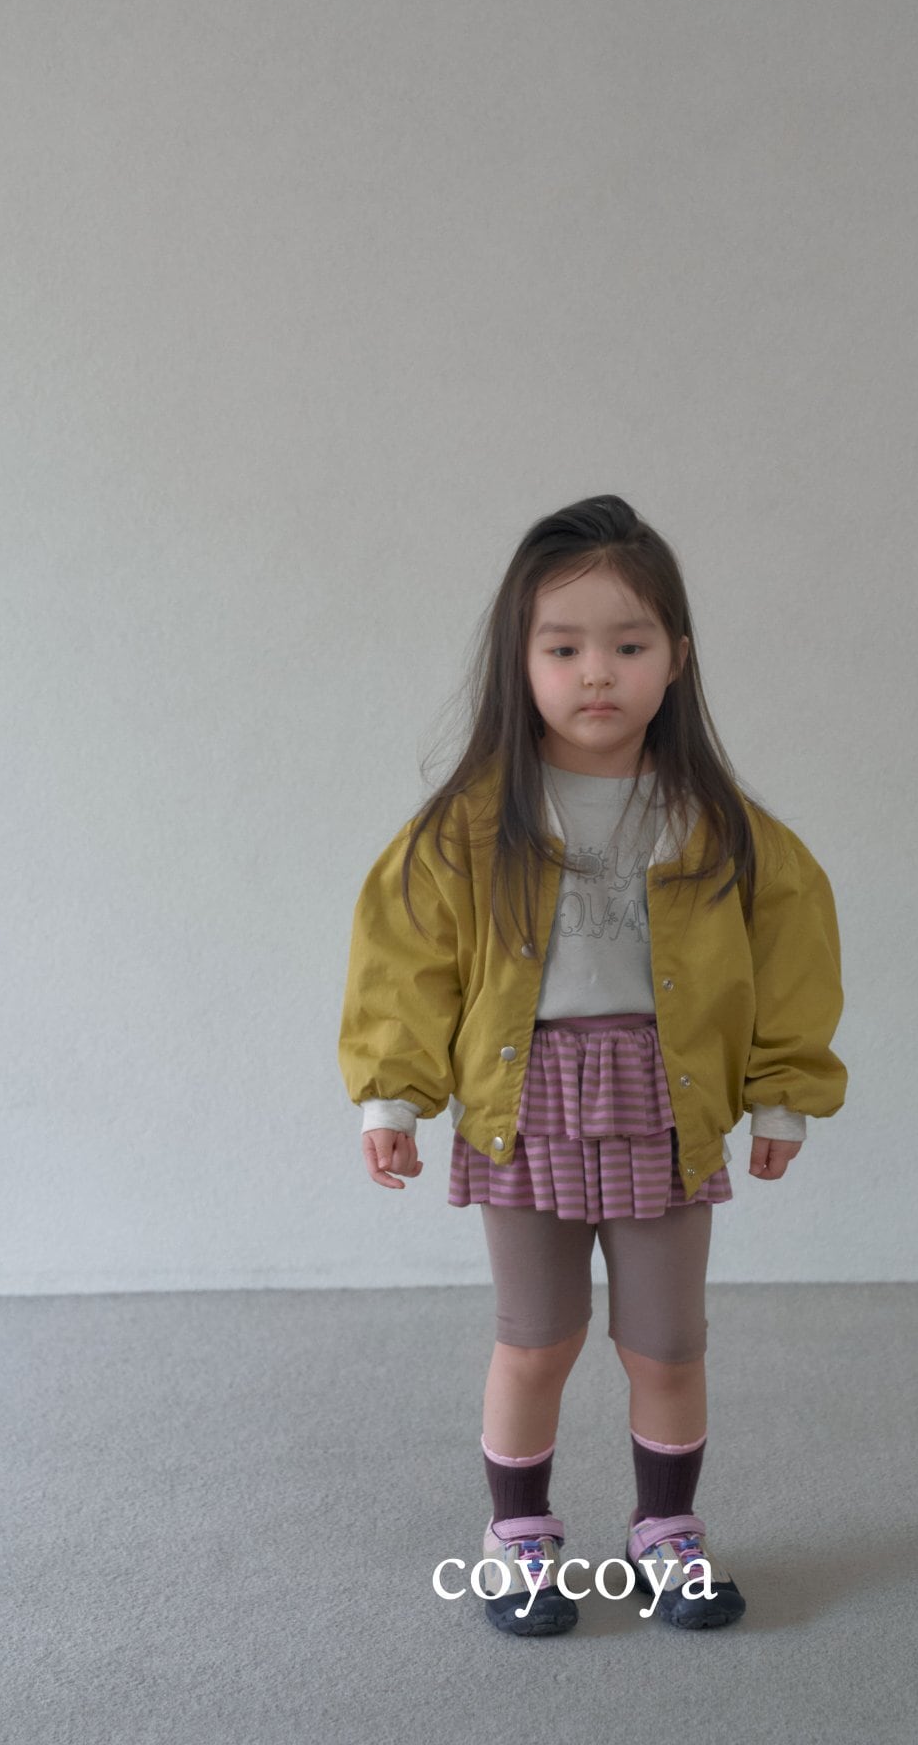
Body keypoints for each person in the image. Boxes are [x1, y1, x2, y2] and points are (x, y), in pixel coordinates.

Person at [337, 493, 847, 1637]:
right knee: (536, 1339)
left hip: (666, 1105)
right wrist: (391, 1096)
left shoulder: (718, 825)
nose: (596, 673)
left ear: (677, 659)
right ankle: (516, 1538)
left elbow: (791, 951)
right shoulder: (469, 826)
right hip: (522, 1108)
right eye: (562, 649)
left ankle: (665, 1530)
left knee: (665, 1342)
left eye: (628, 645)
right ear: (518, 663)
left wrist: (783, 1093)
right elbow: (404, 959)